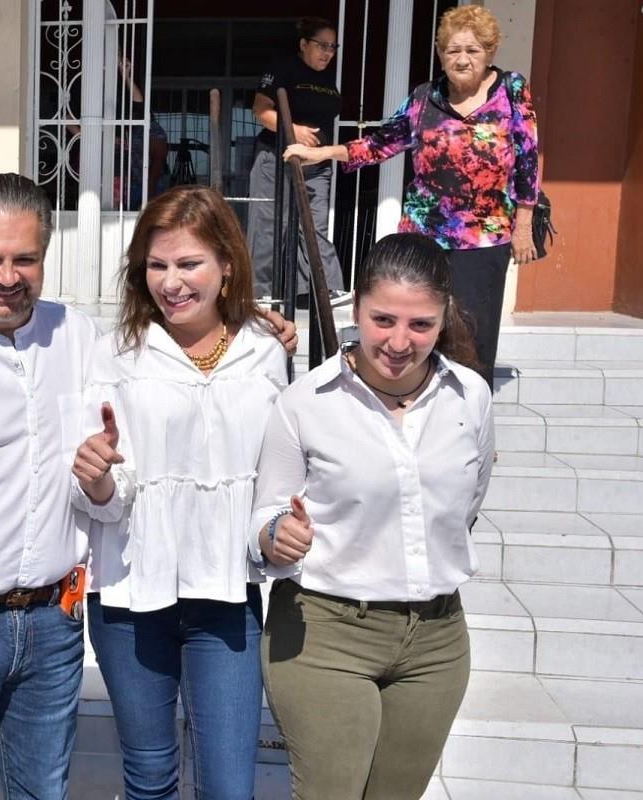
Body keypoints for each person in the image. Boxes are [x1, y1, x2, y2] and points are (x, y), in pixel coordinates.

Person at [0, 174, 297, 799]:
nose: (7, 275)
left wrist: (261, 332)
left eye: (25, 258)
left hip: (52, 625)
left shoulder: (78, 338)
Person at [251, 232, 494, 800]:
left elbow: (470, 501)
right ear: (355, 307)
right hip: (325, 632)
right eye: (382, 319)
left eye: (421, 325)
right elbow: (264, 512)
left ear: (443, 319)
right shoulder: (305, 403)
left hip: (436, 641)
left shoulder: (472, 397)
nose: (399, 341)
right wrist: (275, 536)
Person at [71, 185, 287, 799]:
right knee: (149, 776)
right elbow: (107, 495)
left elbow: (272, 480)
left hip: (225, 597)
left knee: (229, 786)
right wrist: (98, 478)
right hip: (130, 597)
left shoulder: (265, 355)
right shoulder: (114, 353)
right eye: (157, 265)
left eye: (188, 263)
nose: (171, 282)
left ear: (226, 265)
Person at [283, 6, 540, 387]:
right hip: (424, 232)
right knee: (417, 321)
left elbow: (528, 157)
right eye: (453, 50)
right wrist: (324, 153)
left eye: (472, 50)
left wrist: (524, 225)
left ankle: (470, 419)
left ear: (489, 53)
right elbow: (381, 142)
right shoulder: (425, 98)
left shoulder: (511, 90)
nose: (462, 59)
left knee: (474, 332)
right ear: (441, 55)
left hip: (484, 235)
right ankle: (414, 398)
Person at [248, 17, 349, 306]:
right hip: (276, 158)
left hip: (316, 166)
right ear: (304, 44)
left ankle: (325, 291)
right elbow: (261, 111)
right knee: (268, 226)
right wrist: (296, 131)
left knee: (315, 228)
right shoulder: (283, 68)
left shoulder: (328, 79)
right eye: (321, 45)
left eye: (333, 47)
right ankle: (260, 294)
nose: (328, 52)